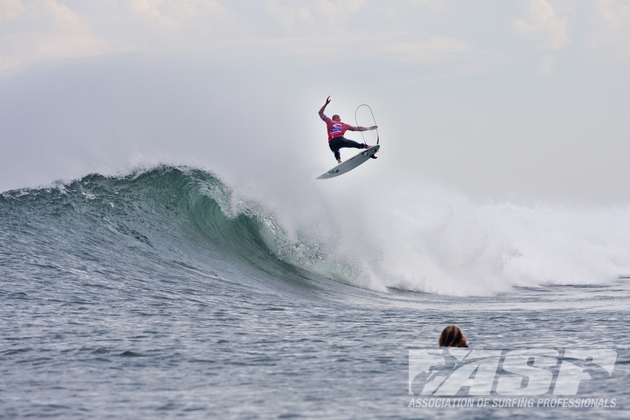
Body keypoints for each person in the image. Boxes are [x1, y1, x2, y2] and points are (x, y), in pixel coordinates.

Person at [318, 96, 378, 164]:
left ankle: (338, 160)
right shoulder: (344, 125)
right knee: (353, 143)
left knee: (336, 150)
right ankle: (366, 146)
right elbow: (358, 128)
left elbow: (320, 113)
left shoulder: (329, 121)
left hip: (332, 144)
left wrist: (326, 104)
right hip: (340, 140)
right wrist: (369, 128)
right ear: (339, 119)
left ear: (332, 119)